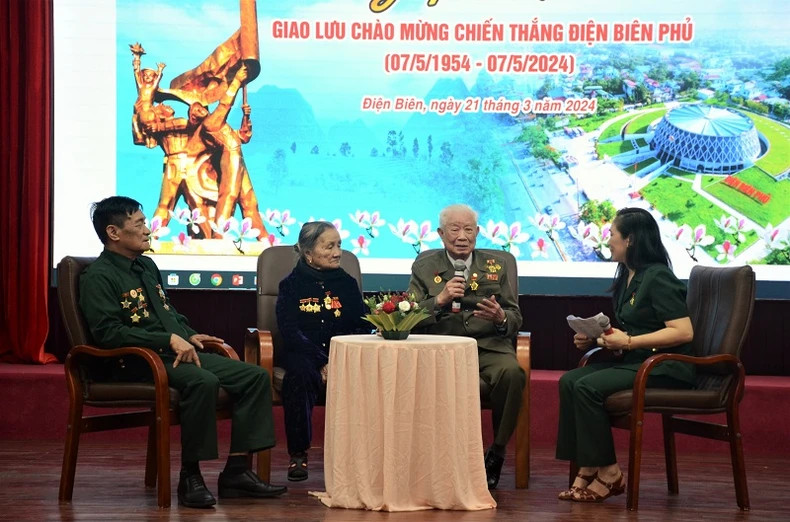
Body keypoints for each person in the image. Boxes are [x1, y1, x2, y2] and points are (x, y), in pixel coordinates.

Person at [79, 196, 286, 508]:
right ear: (114, 233)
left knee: (254, 376)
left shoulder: (146, 266)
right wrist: (168, 340)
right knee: (202, 382)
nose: (148, 230)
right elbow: (108, 333)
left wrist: (188, 334)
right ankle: (191, 476)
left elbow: (167, 313)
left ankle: (237, 472)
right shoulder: (98, 276)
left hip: (169, 352)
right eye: (139, 224)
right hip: (134, 360)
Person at [555, 207, 695, 503]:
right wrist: (600, 337)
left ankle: (608, 472)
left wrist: (628, 341)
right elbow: (638, 328)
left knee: (586, 386)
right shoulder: (627, 274)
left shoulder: (658, 277)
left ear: (630, 240)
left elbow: (683, 332)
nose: (608, 241)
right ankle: (591, 463)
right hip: (636, 361)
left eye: (612, 235)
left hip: (665, 367)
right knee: (569, 381)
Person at [407, 204, 525, 490]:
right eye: (455, 229)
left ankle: (496, 451)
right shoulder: (424, 266)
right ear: (440, 233)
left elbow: (515, 316)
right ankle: (427, 459)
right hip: (441, 348)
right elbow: (406, 315)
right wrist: (438, 300)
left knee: (513, 373)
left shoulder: (497, 266)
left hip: (489, 346)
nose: (462, 236)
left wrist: (500, 318)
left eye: (468, 229)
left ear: (477, 233)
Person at [275, 221, 370, 481]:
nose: (337, 252)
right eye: (329, 246)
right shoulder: (290, 285)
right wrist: (322, 361)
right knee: (300, 376)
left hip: (345, 354)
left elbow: (362, 325)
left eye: (339, 245)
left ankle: (362, 457)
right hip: (303, 353)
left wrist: (338, 358)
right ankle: (298, 455)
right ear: (309, 254)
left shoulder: (347, 283)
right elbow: (290, 332)